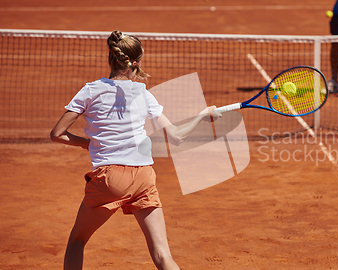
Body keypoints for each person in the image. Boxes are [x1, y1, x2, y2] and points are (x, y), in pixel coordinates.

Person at [50, 30, 219, 270]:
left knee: (77, 241)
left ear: (110, 57)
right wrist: (202, 116)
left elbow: (57, 134)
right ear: (136, 62)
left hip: (109, 178)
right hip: (143, 176)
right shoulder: (143, 93)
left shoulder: (90, 90)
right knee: (162, 255)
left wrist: (87, 143)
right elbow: (178, 137)